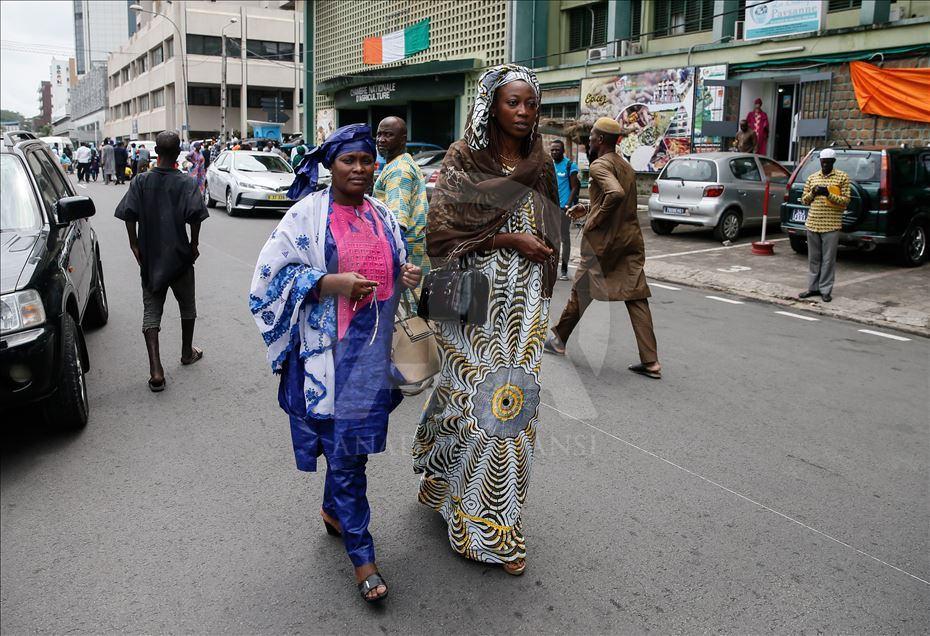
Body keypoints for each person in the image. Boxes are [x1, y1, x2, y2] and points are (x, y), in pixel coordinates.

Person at [250, 123, 422, 603]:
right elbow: (268, 281)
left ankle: (332, 510)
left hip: (373, 356)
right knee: (347, 458)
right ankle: (363, 557)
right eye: (350, 160)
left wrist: (404, 273)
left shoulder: (383, 213)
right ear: (332, 165)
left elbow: (396, 263)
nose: (361, 169)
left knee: (354, 451)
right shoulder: (306, 216)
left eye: (367, 160)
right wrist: (331, 284)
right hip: (327, 360)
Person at [413, 64, 561, 576]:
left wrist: (542, 248)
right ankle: (469, 516)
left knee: (513, 408)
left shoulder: (541, 160)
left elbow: (550, 221)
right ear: (491, 105)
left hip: (525, 304)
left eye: (530, 104)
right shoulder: (463, 158)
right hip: (472, 298)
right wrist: (506, 239)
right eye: (512, 103)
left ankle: (498, 525)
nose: (523, 113)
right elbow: (441, 234)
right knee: (474, 402)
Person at [545, 117, 662, 380]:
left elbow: (615, 194)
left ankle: (559, 339)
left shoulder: (599, 165)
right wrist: (587, 208)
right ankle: (651, 361)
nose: (589, 140)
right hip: (629, 240)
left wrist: (593, 220)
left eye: (592, 136)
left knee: (580, 290)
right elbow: (615, 199)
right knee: (636, 296)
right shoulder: (626, 166)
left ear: (600, 140)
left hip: (603, 243)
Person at [114, 130, 209, 392]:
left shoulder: (141, 181)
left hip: (152, 258)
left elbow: (129, 214)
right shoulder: (187, 183)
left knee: (151, 312)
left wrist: (134, 243)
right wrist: (193, 244)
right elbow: (195, 218)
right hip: (179, 257)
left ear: (156, 152)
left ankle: (156, 370)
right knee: (187, 307)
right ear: (178, 153)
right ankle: (186, 353)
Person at [373, 116, 430, 287]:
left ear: (403, 139)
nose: (381, 140)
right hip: (414, 254)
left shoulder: (399, 170)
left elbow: (396, 224)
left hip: (406, 259)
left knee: (406, 310)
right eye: (379, 134)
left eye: (388, 135)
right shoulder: (400, 163)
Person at [798, 148, 850, 303]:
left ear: (833, 162)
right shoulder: (813, 178)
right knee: (814, 258)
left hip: (831, 225)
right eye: (823, 162)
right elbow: (804, 200)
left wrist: (828, 194)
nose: (825, 165)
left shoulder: (842, 178)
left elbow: (846, 201)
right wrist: (814, 193)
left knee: (828, 259)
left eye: (828, 162)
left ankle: (825, 290)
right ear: (820, 162)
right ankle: (813, 288)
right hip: (813, 223)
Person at [550, 139, 580, 280]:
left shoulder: (569, 165)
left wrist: (568, 205)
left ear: (563, 151)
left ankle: (564, 269)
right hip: (552, 208)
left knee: (564, 238)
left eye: (557, 150)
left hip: (564, 208)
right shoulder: (549, 165)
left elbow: (574, 187)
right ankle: (552, 266)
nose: (554, 152)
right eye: (552, 150)